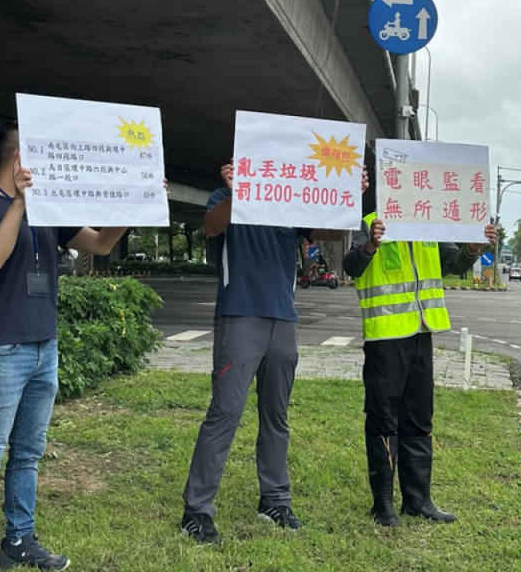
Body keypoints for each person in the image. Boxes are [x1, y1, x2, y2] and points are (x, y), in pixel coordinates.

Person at [0, 121, 130, 572]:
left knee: (28, 453)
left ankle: (19, 540)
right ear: (19, 159)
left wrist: (135, 202)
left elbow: (101, 242)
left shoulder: (50, 210)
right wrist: (19, 200)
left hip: (42, 348)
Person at [179, 163, 367, 544]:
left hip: (283, 318)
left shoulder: (291, 201)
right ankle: (196, 511)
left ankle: (275, 501)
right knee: (225, 413)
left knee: (276, 414)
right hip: (240, 316)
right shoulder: (225, 197)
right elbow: (212, 227)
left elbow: (332, 231)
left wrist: (351, 195)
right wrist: (235, 190)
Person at [343, 212, 497, 527]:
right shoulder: (370, 222)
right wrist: (372, 244)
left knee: (419, 417)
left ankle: (418, 501)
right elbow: (351, 267)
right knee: (383, 418)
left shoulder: (427, 223)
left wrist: (473, 249)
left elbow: (453, 264)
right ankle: (383, 506)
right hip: (385, 337)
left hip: (422, 333)